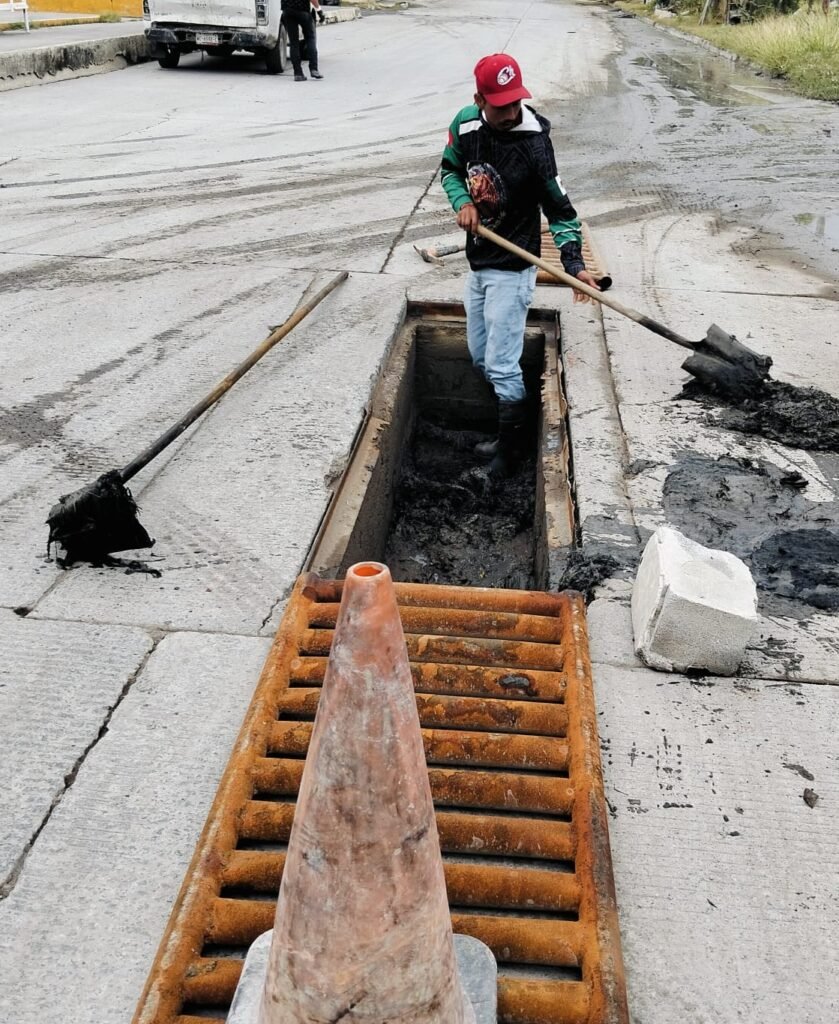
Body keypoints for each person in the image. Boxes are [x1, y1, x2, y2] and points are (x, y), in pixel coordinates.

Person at [441, 54, 600, 478]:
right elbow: (450, 170)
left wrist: (574, 264)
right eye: (501, 105)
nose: (511, 112)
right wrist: (462, 201)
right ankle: (510, 432)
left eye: (516, 102)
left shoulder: (534, 144)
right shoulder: (465, 125)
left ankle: (510, 455)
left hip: (513, 269)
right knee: (480, 357)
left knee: (500, 364)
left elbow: (561, 213)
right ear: (479, 99)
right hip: (479, 262)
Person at [281, 0, 324, 81]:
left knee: (294, 42)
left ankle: (298, 73)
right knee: (310, 38)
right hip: (302, 10)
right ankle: (314, 69)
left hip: (288, 11)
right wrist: (319, 11)